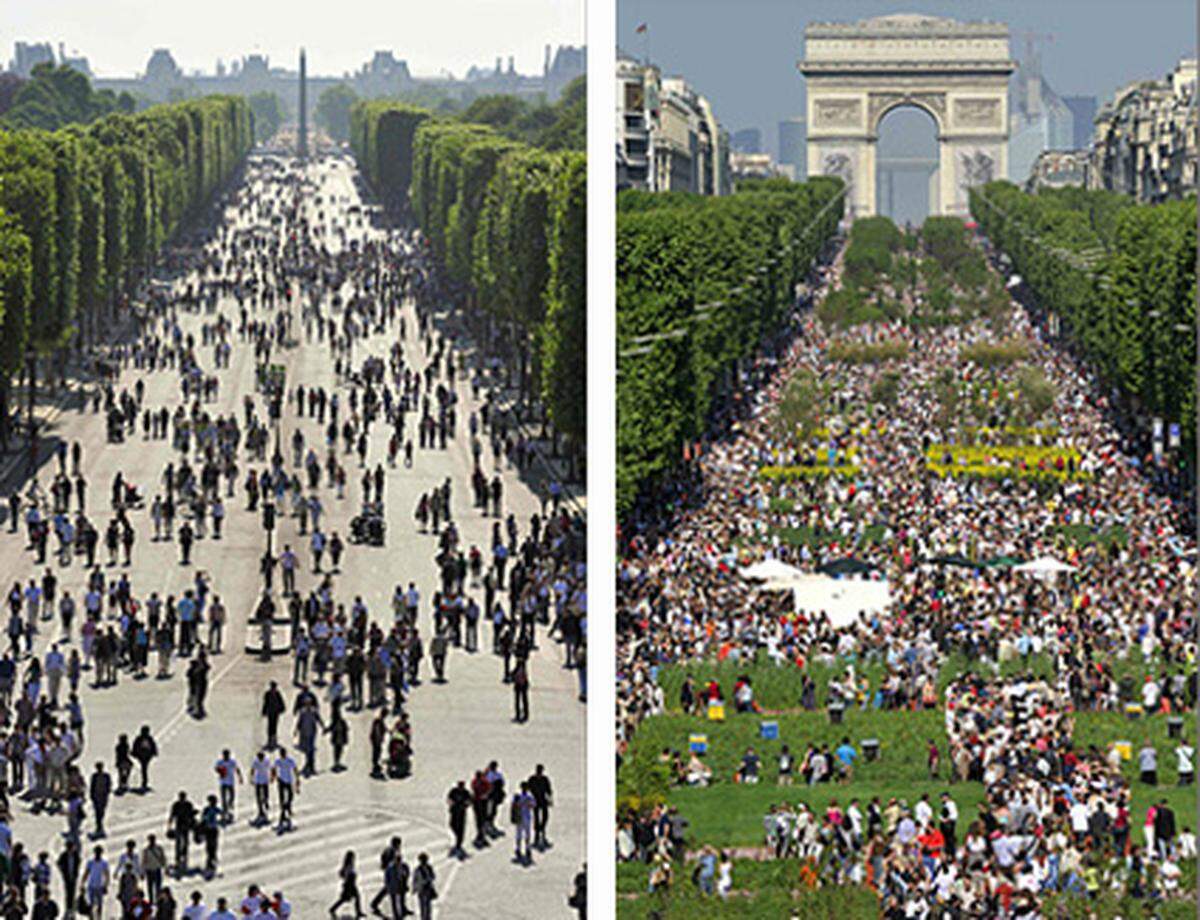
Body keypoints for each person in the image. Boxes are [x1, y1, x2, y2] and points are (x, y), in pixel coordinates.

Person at [328, 850, 364, 918]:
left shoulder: (348, 865)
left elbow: (342, 874)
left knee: (355, 897)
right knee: (345, 898)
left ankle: (358, 911)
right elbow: (349, 876)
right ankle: (332, 908)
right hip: (350, 885)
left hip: (351, 884)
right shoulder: (349, 866)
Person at [527, 764, 553, 849]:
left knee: (545, 816)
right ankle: (537, 831)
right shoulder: (532, 779)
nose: (540, 772)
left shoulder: (545, 779)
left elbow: (549, 790)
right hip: (535, 800)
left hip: (543, 799)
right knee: (536, 817)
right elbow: (528, 789)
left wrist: (550, 798)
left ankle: (542, 827)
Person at [214, 749, 242, 823]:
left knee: (232, 797)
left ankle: (229, 809)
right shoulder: (220, 762)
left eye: (227, 754)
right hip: (223, 782)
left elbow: (237, 769)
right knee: (223, 798)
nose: (226, 756)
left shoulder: (232, 762)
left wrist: (240, 777)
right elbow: (216, 768)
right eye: (224, 754)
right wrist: (220, 771)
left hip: (230, 782)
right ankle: (225, 811)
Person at [412, 853, 436, 920]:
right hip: (422, 889)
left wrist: (429, 879)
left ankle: (428, 918)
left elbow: (433, 876)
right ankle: (423, 918)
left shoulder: (429, 868)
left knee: (428, 906)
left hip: (428, 889)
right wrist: (415, 888)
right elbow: (415, 879)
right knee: (422, 905)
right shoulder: (418, 869)